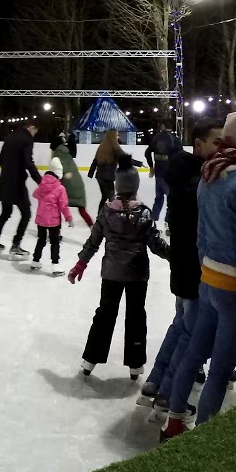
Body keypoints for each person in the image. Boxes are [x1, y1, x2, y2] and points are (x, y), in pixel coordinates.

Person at [162, 112, 236, 439]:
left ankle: (174, 422)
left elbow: (201, 238)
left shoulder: (211, 173)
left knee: (195, 354)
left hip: (209, 281)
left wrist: (206, 274)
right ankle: (202, 437)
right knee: (220, 370)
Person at [142, 119, 223, 413]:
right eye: (216, 142)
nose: (221, 148)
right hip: (194, 268)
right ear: (198, 144)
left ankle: (156, 379)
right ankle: (168, 391)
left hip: (185, 266)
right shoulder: (199, 180)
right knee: (191, 331)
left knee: (182, 325)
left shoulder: (188, 174)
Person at [68, 155, 169, 378]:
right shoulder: (143, 213)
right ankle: (135, 365)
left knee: (104, 314)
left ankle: (89, 361)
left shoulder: (106, 211)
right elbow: (156, 245)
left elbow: (93, 241)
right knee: (135, 317)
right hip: (137, 274)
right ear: (135, 187)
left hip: (112, 273)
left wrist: (81, 263)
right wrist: (176, 257)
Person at [0, 123, 43, 255]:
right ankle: (16, 244)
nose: (34, 135)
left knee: (6, 213)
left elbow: (1, 159)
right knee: (26, 214)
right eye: (35, 132)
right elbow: (28, 162)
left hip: (5, 180)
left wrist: (9, 170)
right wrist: (40, 181)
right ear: (31, 127)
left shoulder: (10, 137)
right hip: (17, 183)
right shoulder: (27, 140)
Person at [31, 158, 74, 273]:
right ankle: (55, 264)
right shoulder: (60, 188)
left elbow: (35, 194)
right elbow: (63, 206)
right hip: (54, 221)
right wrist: (69, 218)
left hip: (40, 219)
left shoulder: (42, 184)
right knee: (54, 242)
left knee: (41, 240)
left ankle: (35, 261)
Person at [146, 123, 182, 222]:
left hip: (158, 172)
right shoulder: (174, 140)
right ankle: (168, 221)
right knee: (171, 198)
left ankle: (153, 219)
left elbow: (147, 152)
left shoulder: (156, 138)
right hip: (170, 173)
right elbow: (181, 155)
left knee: (159, 197)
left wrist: (151, 167)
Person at [51, 138, 91, 226]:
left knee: (56, 208)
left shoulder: (56, 159)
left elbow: (58, 176)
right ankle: (92, 227)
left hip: (67, 187)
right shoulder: (68, 155)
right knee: (82, 209)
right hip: (78, 186)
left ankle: (57, 232)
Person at [88, 130, 129, 205]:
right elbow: (125, 159)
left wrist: (91, 173)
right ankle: (109, 214)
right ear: (113, 137)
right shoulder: (115, 147)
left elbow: (95, 161)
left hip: (100, 176)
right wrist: (139, 163)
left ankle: (100, 215)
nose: (118, 137)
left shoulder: (102, 146)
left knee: (104, 197)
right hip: (108, 177)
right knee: (111, 198)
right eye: (117, 135)